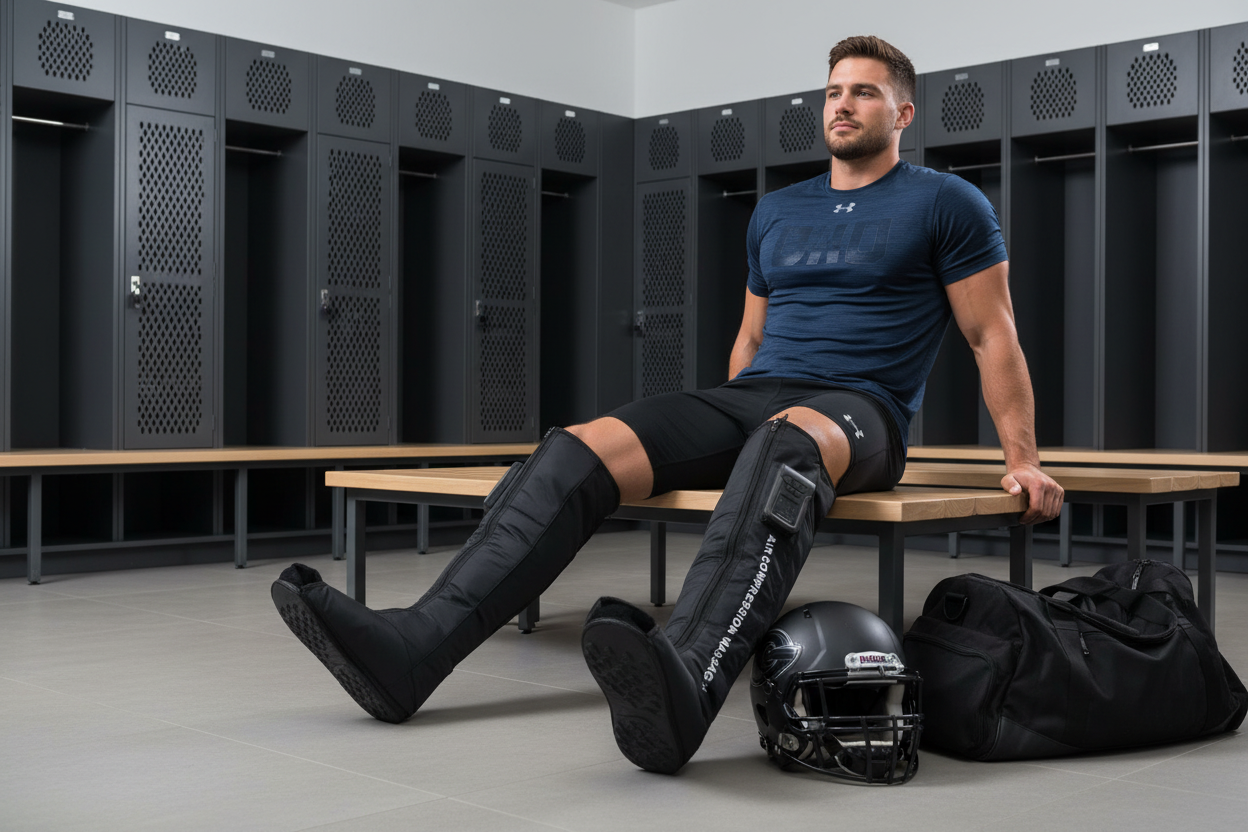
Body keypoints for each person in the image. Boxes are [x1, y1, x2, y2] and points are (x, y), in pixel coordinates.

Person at [271, 34, 1064, 776]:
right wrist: (731, 422)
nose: (841, 106)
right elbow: (749, 340)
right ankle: (413, 649)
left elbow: (993, 337)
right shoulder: (779, 210)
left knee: (786, 445)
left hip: (862, 411)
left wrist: (1022, 460)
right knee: (580, 445)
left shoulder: (948, 203)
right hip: (754, 398)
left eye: (863, 93)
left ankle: (689, 674)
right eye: (831, 93)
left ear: (903, 112)